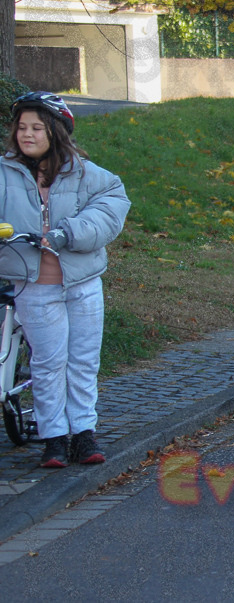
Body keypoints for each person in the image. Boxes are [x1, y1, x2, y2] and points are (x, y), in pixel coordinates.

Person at [0, 92, 131, 468]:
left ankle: (84, 434)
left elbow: (111, 207)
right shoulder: (4, 173)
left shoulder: (86, 173)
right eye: (22, 127)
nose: (27, 134)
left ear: (55, 132)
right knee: (48, 363)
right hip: (33, 285)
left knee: (83, 361)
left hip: (82, 283)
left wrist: (68, 233)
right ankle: (54, 438)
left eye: (36, 128)